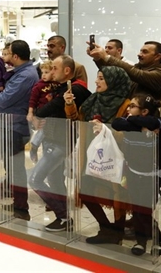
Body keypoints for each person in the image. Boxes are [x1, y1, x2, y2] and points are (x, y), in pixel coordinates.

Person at [64, 66, 131, 244]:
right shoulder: (93, 100)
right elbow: (76, 120)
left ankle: (118, 230)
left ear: (113, 81)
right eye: (97, 78)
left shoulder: (126, 105)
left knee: (118, 194)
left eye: (101, 78)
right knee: (86, 189)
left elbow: (129, 132)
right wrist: (70, 104)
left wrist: (106, 130)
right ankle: (106, 228)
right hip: (92, 155)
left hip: (115, 158)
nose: (96, 81)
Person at [30, 55, 91, 230]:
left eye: (55, 68)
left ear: (66, 70)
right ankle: (64, 217)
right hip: (53, 139)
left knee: (35, 179)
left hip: (60, 141)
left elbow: (43, 111)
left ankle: (63, 215)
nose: (52, 71)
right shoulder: (62, 88)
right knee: (55, 180)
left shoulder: (74, 90)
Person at [0, 40, 40, 219]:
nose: (5, 56)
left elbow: (4, 98)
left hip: (15, 126)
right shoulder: (19, 72)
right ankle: (17, 201)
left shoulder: (25, 75)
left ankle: (21, 206)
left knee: (16, 167)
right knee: (11, 166)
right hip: (8, 124)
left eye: (8, 53)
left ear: (16, 56)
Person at [111, 94, 161, 256]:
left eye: (132, 106)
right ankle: (141, 241)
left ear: (145, 111)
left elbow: (154, 123)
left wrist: (132, 122)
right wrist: (135, 122)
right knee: (136, 209)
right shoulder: (131, 122)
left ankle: (157, 238)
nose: (128, 108)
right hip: (133, 172)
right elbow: (116, 123)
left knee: (144, 210)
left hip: (152, 176)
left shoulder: (158, 123)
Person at [88, 41, 161, 100]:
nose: (139, 54)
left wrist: (106, 57)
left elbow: (136, 74)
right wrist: (98, 58)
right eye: (140, 51)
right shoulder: (139, 67)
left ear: (157, 56)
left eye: (145, 52)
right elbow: (112, 72)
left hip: (146, 119)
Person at [26, 59, 58, 160]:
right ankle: (34, 146)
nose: (43, 75)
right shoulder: (38, 86)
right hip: (42, 112)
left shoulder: (55, 84)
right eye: (42, 72)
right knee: (42, 129)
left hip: (53, 114)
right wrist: (31, 112)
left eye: (46, 72)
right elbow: (32, 100)